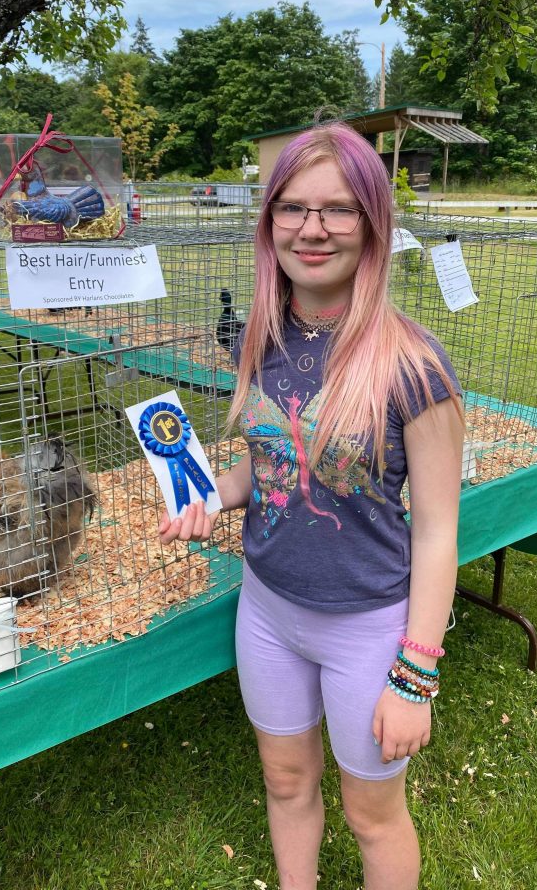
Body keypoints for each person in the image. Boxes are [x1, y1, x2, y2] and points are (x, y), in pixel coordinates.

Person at [159, 122, 464, 890]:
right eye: (292, 208)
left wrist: (413, 677)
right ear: (270, 225)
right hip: (267, 611)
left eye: (339, 209)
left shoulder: (415, 366)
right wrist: (210, 497)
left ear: (372, 222)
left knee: (373, 816)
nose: (314, 229)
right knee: (287, 782)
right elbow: (266, 466)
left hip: (368, 627)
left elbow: (436, 534)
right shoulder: (257, 338)